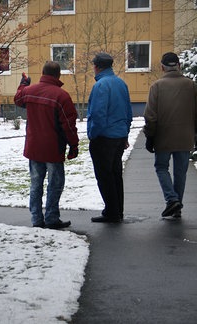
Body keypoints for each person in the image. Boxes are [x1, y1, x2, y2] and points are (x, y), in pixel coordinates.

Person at [14, 61, 79, 229]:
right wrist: (73, 145)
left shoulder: (30, 91)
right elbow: (69, 125)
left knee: (36, 183)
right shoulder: (61, 96)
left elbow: (18, 98)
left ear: (43, 73)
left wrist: (23, 84)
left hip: (34, 147)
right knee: (55, 183)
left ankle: (36, 219)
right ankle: (51, 217)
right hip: (53, 149)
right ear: (58, 75)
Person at [143, 52, 197, 219]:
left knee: (161, 167)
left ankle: (172, 200)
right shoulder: (191, 85)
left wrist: (150, 137)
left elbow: (150, 116)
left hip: (163, 137)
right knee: (180, 172)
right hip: (185, 137)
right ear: (179, 65)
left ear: (162, 67)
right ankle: (176, 206)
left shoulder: (156, 86)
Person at [87, 53, 133, 223]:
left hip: (104, 137)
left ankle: (111, 212)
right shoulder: (121, 83)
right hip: (119, 136)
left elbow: (98, 114)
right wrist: (125, 134)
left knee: (104, 176)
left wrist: (93, 134)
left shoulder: (100, 86)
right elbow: (128, 112)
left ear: (97, 66)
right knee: (115, 174)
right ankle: (117, 210)